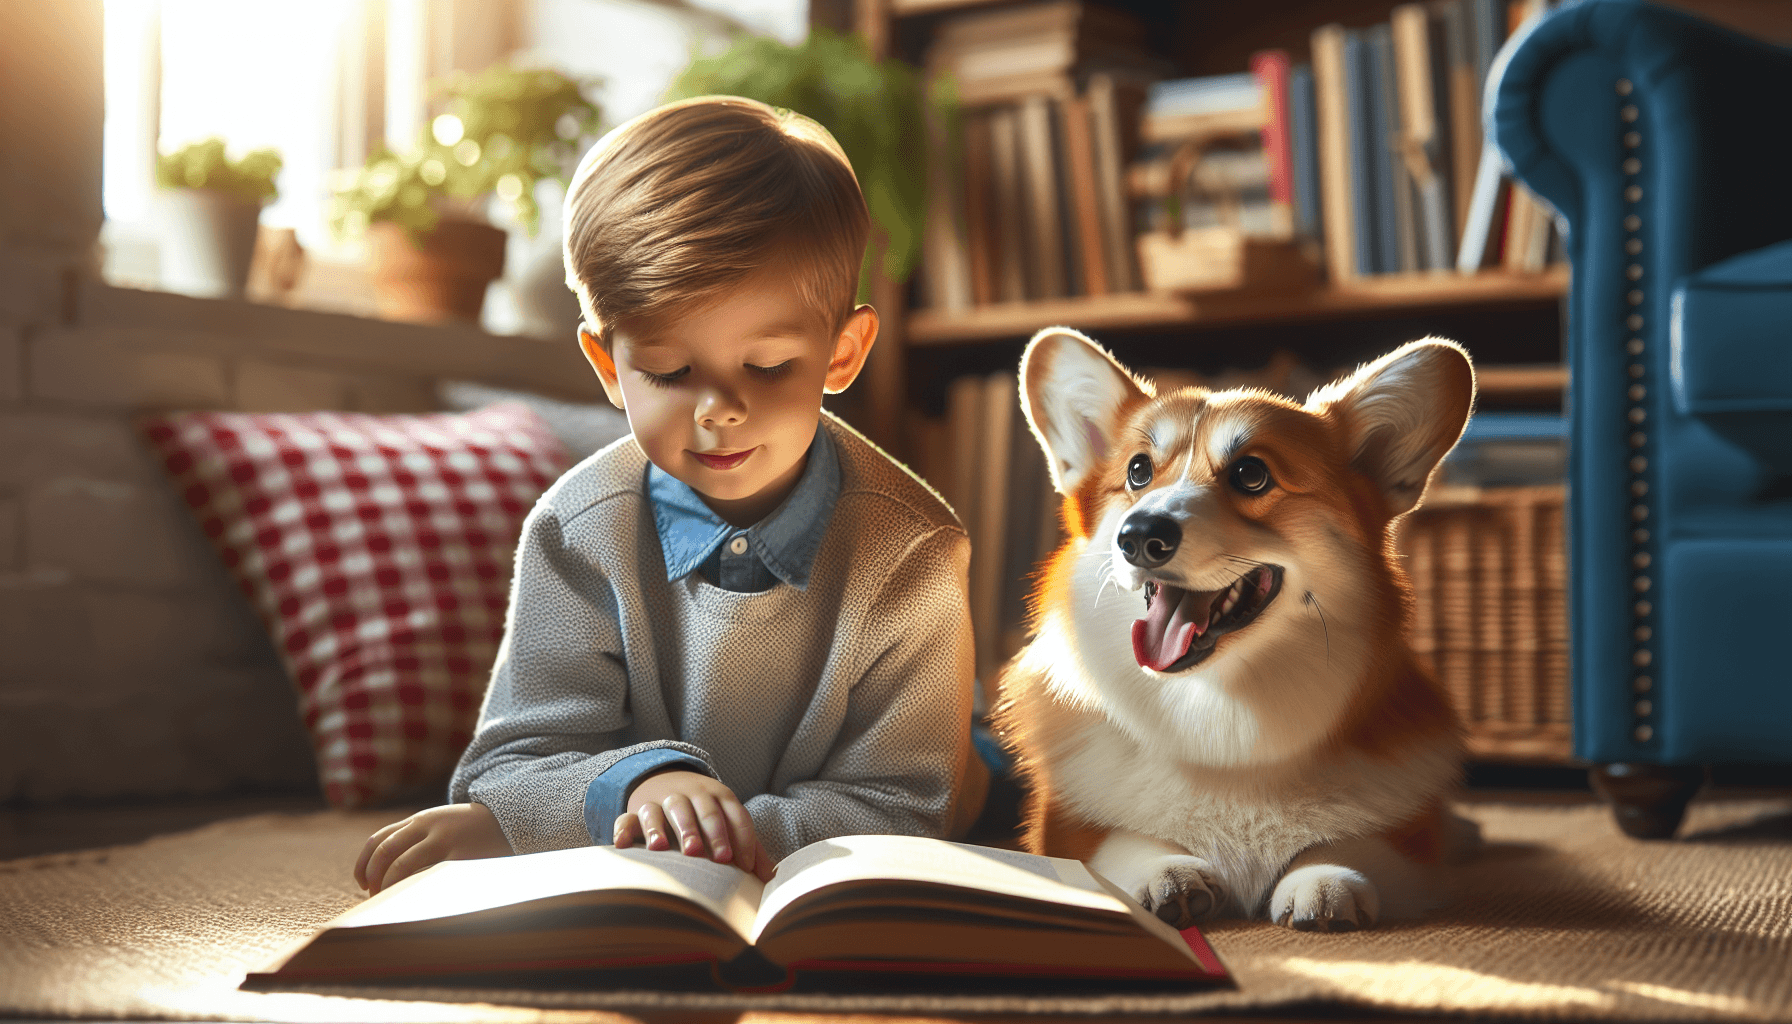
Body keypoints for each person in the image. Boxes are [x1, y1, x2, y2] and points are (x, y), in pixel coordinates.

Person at [355, 96, 982, 895]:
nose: (718, 409)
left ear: (843, 352)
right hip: (660, 820)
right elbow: (513, 764)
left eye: (766, 367)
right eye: (670, 371)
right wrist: (634, 789)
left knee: (1002, 767)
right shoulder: (574, 530)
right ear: (608, 366)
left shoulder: (918, 550)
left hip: (942, 763)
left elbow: (903, 807)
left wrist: (699, 832)